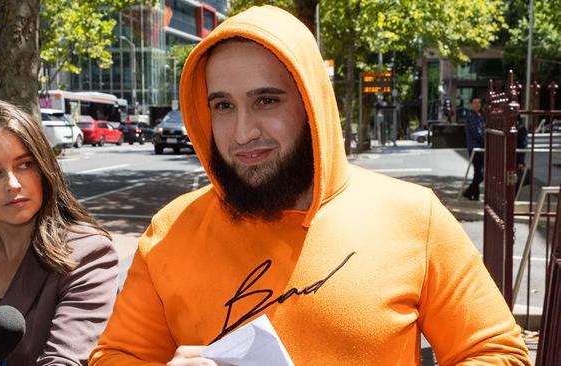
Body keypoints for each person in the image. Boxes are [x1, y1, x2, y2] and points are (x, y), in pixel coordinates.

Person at [90, 5, 530, 365]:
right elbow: (117, 356)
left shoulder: (415, 217)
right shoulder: (171, 229)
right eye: (223, 105)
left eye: (266, 100)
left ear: (311, 104)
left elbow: (497, 353)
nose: (243, 132)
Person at [0, 101, 119, 365]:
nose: (13, 184)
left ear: (43, 166)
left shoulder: (89, 253)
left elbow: (65, 360)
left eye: (25, 164)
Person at [463, 95, 485, 200]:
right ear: (471, 104)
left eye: (479, 103)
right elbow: (477, 133)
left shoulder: (480, 115)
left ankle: (470, 193)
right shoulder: (471, 116)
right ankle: (472, 194)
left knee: (479, 173)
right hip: (475, 147)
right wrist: (486, 142)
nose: (477, 105)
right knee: (479, 173)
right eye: (475, 103)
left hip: (480, 147)